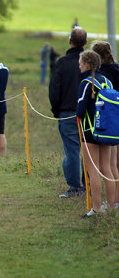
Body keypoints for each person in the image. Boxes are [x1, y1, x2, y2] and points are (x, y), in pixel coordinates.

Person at [49, 27, 87, 198]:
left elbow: (54, 90)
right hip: (89, 114)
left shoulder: (62, 63)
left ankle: (75, 187)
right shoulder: (92, 62)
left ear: (69, 41)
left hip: (67, 113)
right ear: (85, 43)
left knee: (72, 150)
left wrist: (57, 110)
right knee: (88, 149)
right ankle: (89, 185)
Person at [76, 50, 116, 217]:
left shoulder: (86, 83)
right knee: (107, 168)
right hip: (107, 131)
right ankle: (112, 207)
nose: (79, 66)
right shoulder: (108, 81)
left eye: (80, 63)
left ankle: (97, 208)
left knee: (93, 170)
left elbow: (80, 110)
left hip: (90, 131)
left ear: (86, 64)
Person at [90, 40, 119, 209]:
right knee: (116, 165)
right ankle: (116, 201)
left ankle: (111, 202)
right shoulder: (117, 69)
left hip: (109, 120)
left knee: (110, 164)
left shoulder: (101, 75)